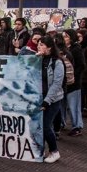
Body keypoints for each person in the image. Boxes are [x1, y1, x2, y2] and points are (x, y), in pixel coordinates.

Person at [36, 35, 64, 163]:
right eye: (38, 44)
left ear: (50, 47)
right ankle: (39, 151)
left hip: (53, 99)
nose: (39, 46)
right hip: (40, 97)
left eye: (42, 44)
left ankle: (54, 151)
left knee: (46, 126)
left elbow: (57, 84)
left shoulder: (57, 63)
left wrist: (47, 100)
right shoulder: (38, 60)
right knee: (39, 125)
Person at [62, 29, 84, 136]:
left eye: (66, 36)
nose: (64, 38)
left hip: (74, 84)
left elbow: (81, 65)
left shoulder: (76, 49)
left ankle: (77, 126)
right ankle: (64, 123)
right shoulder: (67, 49)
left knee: (73, 106)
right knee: (66, 105)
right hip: (67, 82)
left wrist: (73, 76)